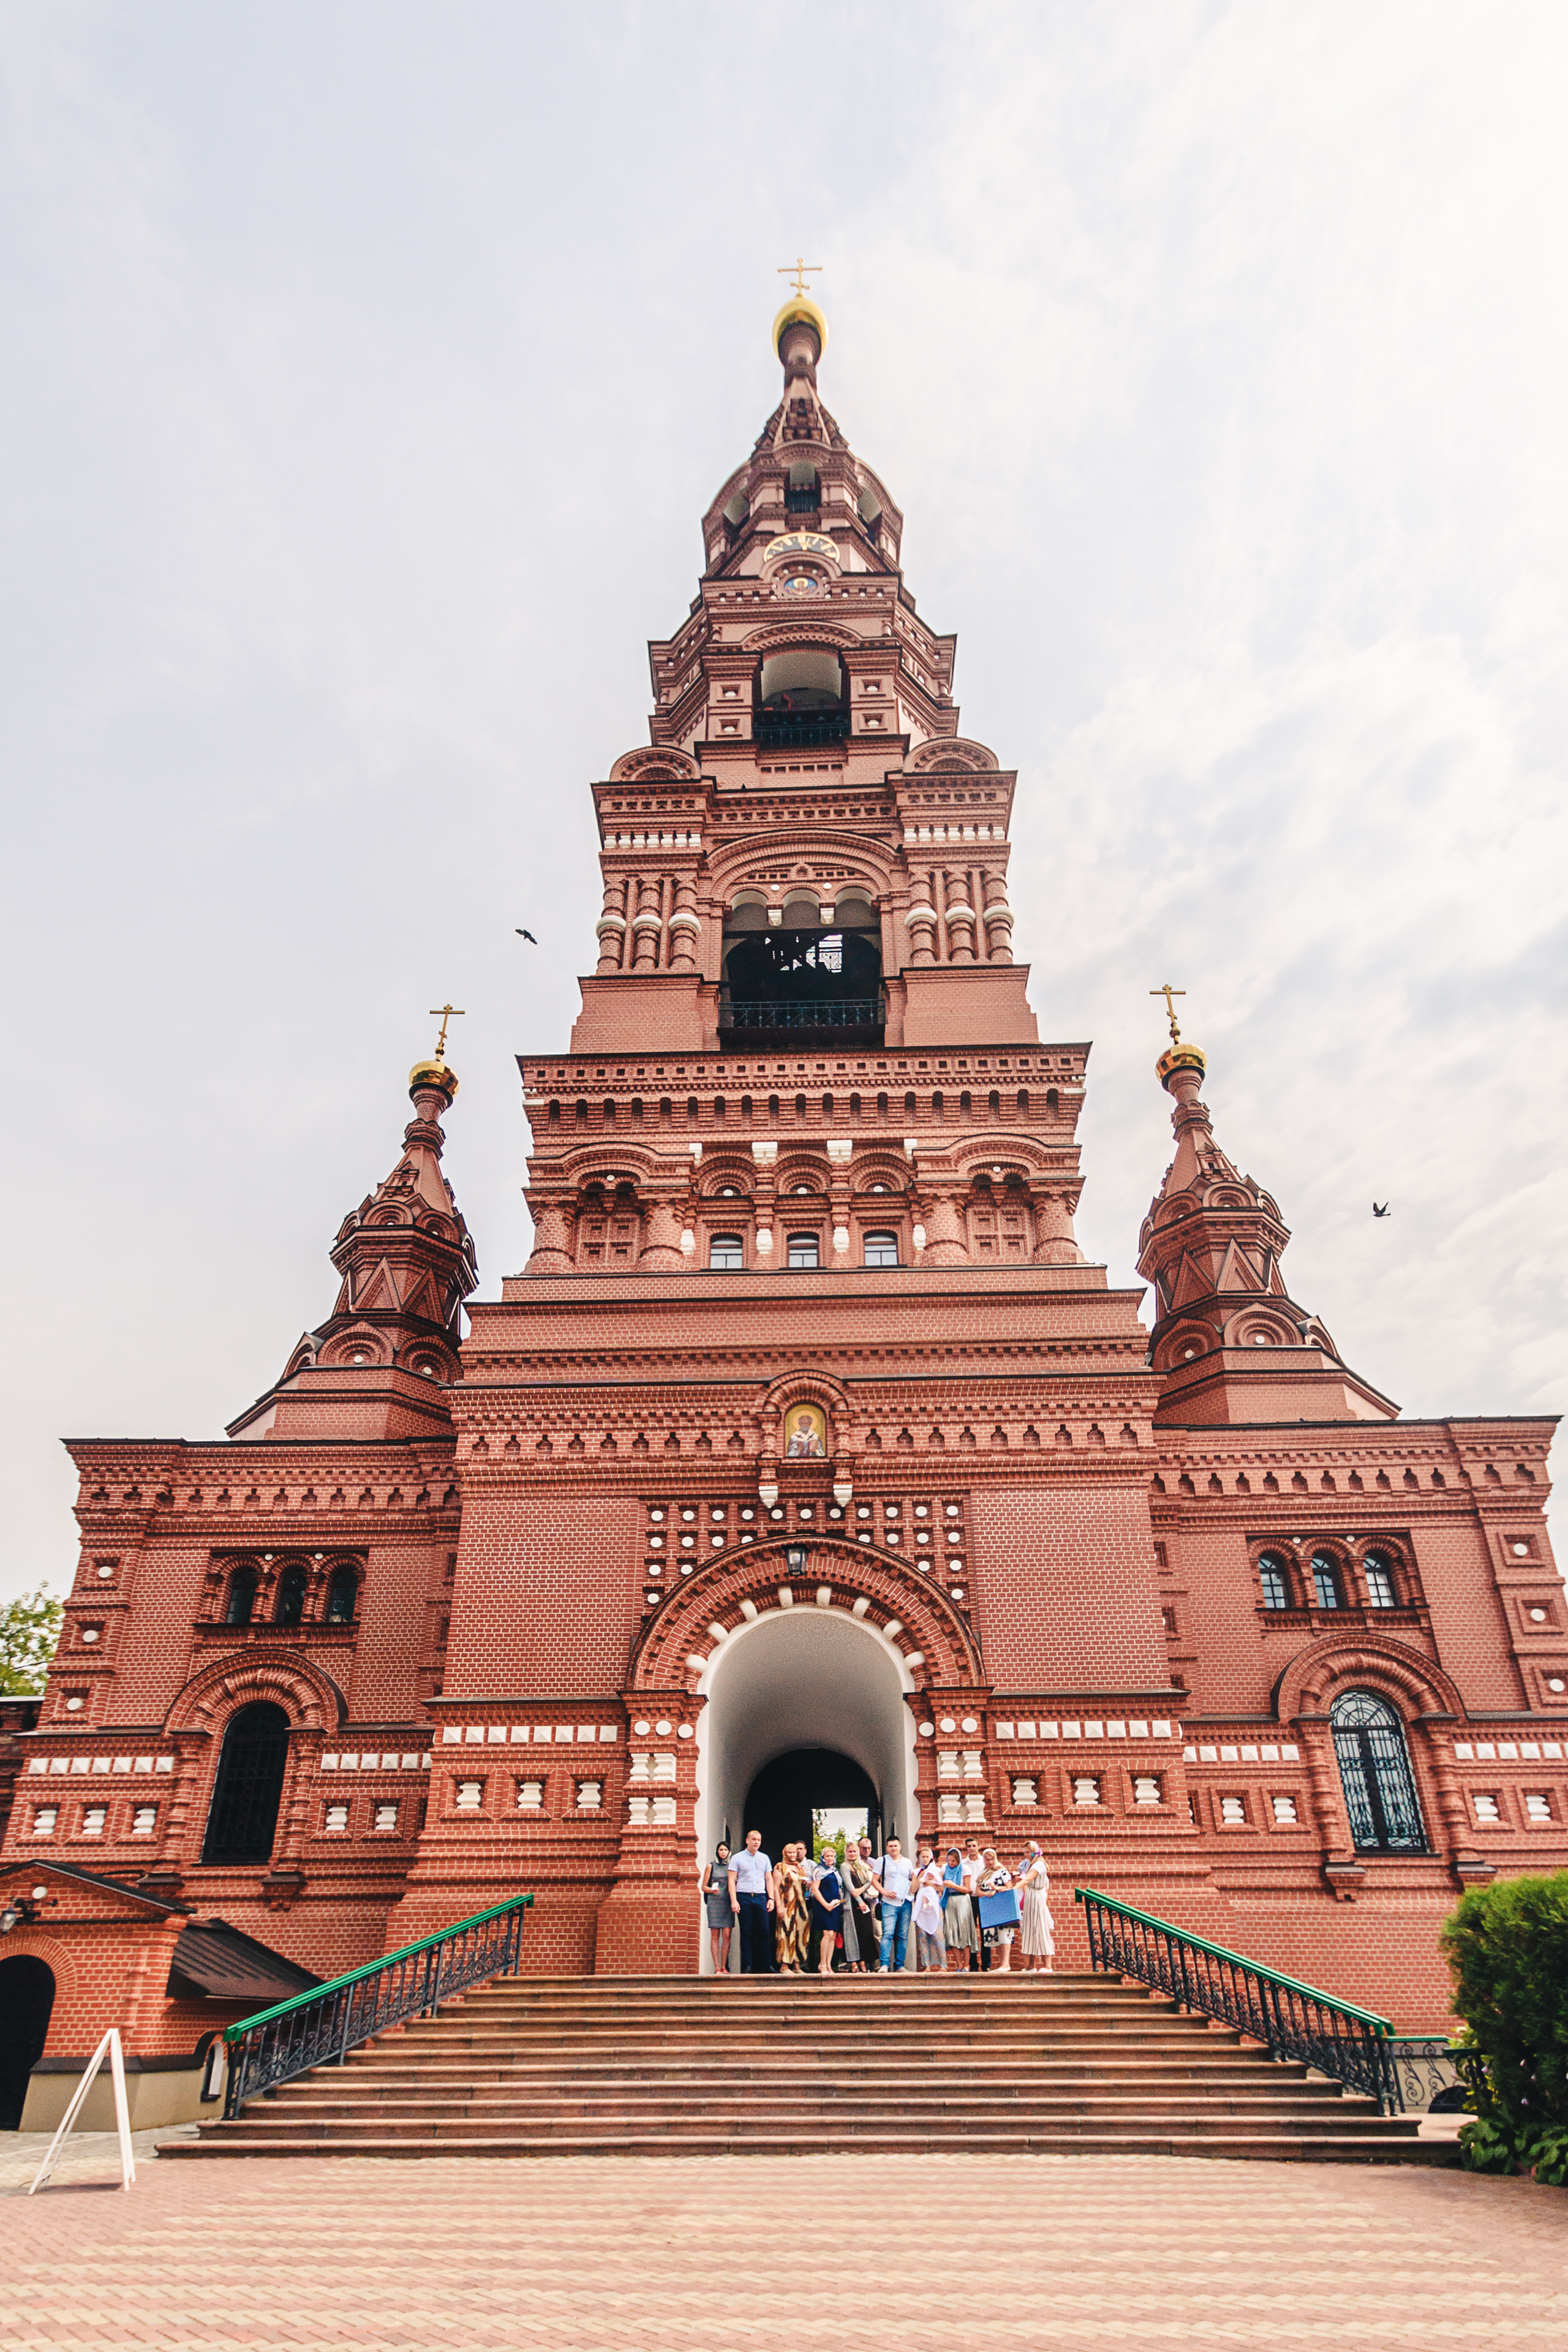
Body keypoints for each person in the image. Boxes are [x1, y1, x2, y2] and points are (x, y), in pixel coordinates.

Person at [728, 1830, 774, 1974]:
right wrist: (734, 1900)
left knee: (764, 1931)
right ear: (747, 1841)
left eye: (759, 1840)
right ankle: (747, 1965)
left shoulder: (765, 1858)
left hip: (760, 1897)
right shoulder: (737, 1858)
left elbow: (769, 1879)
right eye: (754, 1839)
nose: (756, 1842)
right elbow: (732, 1880)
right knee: (746, 1932)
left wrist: (771, 1898)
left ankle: (767, 1965)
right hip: (744, 1896)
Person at [873, 1837, 914, 1973]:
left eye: (895, 1846)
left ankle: (899, 1966)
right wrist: (884, 1892)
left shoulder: (907, 1862)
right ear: (887, 1847)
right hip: (889, 1902)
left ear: (900, 1846)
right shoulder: (882, 1861)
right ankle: (884, 1964)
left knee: (903, 1935)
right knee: (888, 1933)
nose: (893, 1848)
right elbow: (874, 1880)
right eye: (890, 1846)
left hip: (905, 1902)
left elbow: (912, 1879)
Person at [1016, 1844, 1055, 1973]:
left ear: (1034, 1852)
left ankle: (1047, 1966)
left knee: (1041, 1929)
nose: (1025, 1855)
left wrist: (1013, 1889)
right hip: (1030, 1897)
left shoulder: (1039, 1864)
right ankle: (1030, 1965)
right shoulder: (1030, 1864)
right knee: (1029, 1930)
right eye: (1025, 1852)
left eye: (1028, 1852)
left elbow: (1027, 1879)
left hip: (1037, 1897)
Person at [843, 1836, 880, 1972]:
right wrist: (859, 1899)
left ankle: (867, 1962)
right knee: (853, 1933)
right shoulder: (844, 1866)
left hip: (867, 1901)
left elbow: (871, 1881)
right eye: (850, 1852)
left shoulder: (864, 1865)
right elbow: (850, 1887)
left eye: (854, 1852)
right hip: (854, 1903)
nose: (853, 1854)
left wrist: (862, 1890)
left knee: (867, 1933)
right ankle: (854, 1963)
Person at [773, 1841, 810, 1973]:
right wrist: (779, 1906)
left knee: (799, 1934)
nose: (793, 1855)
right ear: (785, 1853)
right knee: (786, 1933)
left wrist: (807, 1884)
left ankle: (797, 1965)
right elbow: (775, 1888)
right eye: (790, 1852)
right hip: (786, 1904)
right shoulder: (780, 1867)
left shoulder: (799, 1867)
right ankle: (784, 1966)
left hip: (800, 1906)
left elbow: (803, 1884)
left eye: (794, 1852)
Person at [978, 1848, 1016, 1973]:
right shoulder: (983, 1873)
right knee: (996, 1936)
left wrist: (996, 1888)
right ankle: (1001, 1964)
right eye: (987, 1860)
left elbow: (1009, 1887)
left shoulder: (1002, 1871)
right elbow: (978, 1891)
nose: (990, 1862)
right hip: (990, 1908)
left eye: (992, 1859)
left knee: (1005, 1934)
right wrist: (987, 1894)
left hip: (1002, 1906)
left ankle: (1006, 1963)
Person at [911, 1844, 946, 1973]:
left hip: (934, 1906)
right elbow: (913, 1890)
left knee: (938, 1935)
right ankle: (927, 1965)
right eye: (923, 1857)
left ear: (931, 1858)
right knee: (922, 1937)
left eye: (927, 1857)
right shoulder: (916, 1872)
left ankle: (943, 1965)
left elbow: (941, 1888)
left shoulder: (936, 1870)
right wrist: (922, 1875)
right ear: (919, 1858)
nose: (925, 1859)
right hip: (921, 1907)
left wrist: (930, 1884)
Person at [810, 1847, 844, 1977]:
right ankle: (822, 1964)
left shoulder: (835, 1871)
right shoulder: (819, 1870)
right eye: (827, 1856)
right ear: (823, 1857)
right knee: (827, 1933)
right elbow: (815, 1889)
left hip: (834, 1906)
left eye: (832, 1856)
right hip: (823, 1905)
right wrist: (825, 1904)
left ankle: (829, 1964)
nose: (830, 1858)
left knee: (833, 1935)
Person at [701, 1842, 734, 1977]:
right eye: (721, 1850)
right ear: (717, 1851)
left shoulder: (732, 1866)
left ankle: (724, 1966)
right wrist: (712, 1890)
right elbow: (704, 1886)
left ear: (729, 1852)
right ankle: (717, 1967)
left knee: (727, 1935)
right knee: (715, 1935)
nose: (723, 1852)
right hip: (714, 1903)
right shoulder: (711, 1866)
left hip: (727, 1902)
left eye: (726, 1850)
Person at [941, 1845, 975, 1970]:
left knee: (964, 1931)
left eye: (954, 1861)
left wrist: (953, 1885)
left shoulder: (965, 1869)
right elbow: (938, 1881)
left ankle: (967, 1964)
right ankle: (959, 1965)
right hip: (949, 1900)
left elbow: (968, 1889)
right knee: (952, 1932)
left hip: (962, 1900)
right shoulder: (944, 1868)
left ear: (959, 1860)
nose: (951, 1863)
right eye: (949, 1860)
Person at [960, 1838, 986, 1971]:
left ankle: (986, 1964)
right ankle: (973, 1964)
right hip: (968, 1898)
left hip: (983, 1898)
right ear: (966, 1848)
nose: (971, 1848)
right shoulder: (963, 1863)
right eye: (969, 1846)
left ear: (979, 1846)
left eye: (974, 1846)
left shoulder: (984, 1861)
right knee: (970, 1931)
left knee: (985, 1929)